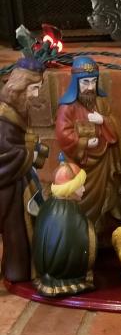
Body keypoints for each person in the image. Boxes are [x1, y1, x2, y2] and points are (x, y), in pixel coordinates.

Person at [55, 56, 121, 231]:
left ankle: (101, 225)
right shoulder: (67, 107)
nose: (90, 87)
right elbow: (63, 134)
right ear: (76, 82)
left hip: (103, 162)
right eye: (85, 82)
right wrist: (84, 143)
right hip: (82, 164)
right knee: (81, 196)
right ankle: (82, 229)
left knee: (105, 196)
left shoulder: (100, 102)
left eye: (94, 81)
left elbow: (116, 126)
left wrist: (103, 120)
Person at [0, 55, 49, 282]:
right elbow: (7, 154)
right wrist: (32, 153)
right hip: (7, 185)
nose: (36, 94)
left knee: (22, 227)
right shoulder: (4, 118)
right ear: (20, 87)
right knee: (15, 229)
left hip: (19, 180)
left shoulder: (17, 110)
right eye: (34, 88)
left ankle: (20, 268)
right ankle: (16, 271)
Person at [32, 154, 96, 296]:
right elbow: (79, 241)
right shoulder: (70, 211)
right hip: (66, 270)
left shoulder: (49, 205)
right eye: (80, 186)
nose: (84, 189)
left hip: (44, 270)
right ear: (70, 188)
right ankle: (67, 279)